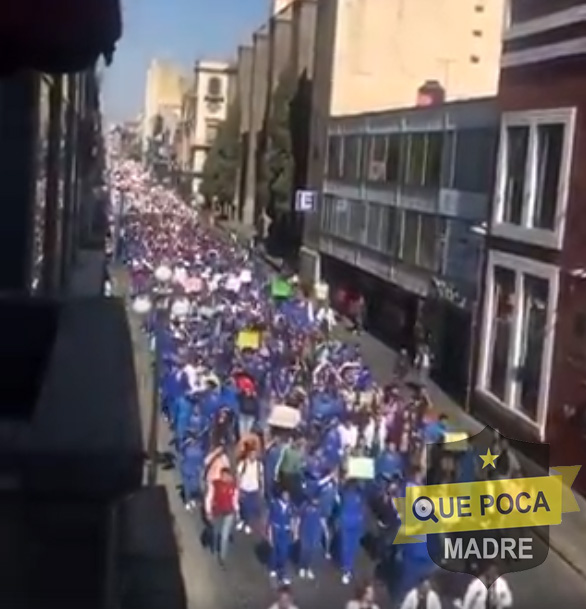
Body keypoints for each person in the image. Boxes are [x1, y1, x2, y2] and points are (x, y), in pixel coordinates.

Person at [204, 466, 239, 567]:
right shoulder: (214, 484)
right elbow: (209, 498)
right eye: (223, 476)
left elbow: (235, 501)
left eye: (227, 476)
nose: (226, 478)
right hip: (217, 512)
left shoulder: (233, 487)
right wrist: (208, 511)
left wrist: (237, 512)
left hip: (229, 512)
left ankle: (222, 557)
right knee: (215, 531)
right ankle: (214, 545)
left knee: (224, 536)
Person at [338, 480, 366, 584]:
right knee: (346, 548)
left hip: (356, 525)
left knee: (353, 548)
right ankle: (346, 570)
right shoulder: (345, 495)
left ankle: (349, 568)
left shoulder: (360, 496)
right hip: (347, 524)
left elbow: (362, 509)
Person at [267, 487, 296, 584]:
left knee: (284, 553)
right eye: (284, 495)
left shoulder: (291, 506)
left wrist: (294, 533)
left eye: (288, 495)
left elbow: (292, 520)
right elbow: (270, 521)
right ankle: (273, 567)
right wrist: (270, 535)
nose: (286, 497)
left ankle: (282, 574)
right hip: (276, 531)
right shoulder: (275, 505)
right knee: (275, 551)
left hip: (286, 532)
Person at [236, 445, 264, 534]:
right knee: (243, 506)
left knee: (250, 508)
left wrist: (262, 488)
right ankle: (242, 520)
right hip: (244, 488)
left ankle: (247, 524)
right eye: (252, 454)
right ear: (248, 454)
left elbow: (261, 477)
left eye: (255, 454)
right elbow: (238, 476)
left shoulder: (259, 465)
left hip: (254, 489)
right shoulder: (243, 464)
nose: (253, 456)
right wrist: (238, 488)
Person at [298, 494, 322, 580]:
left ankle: (308, 568)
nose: (316, 501)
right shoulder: (305, 506)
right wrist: (297, 532)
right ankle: (302, 568)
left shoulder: (320, 508)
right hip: (305, 531)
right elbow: (299, 517)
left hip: (315, 533)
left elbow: (322, 519)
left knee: (312, 552)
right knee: (304, 550)